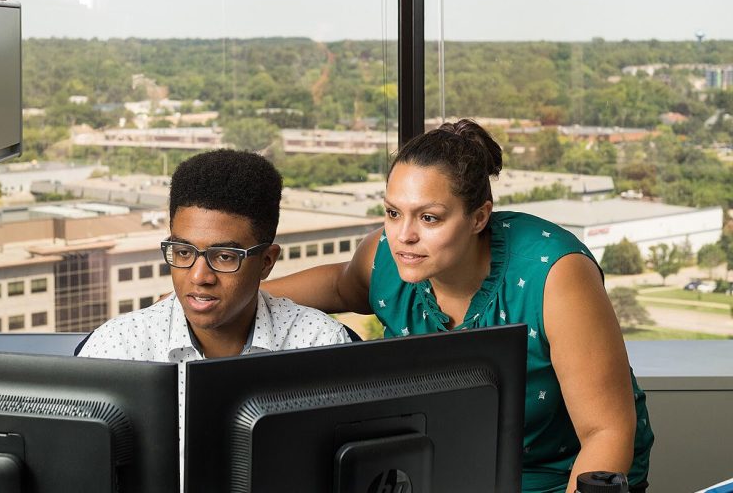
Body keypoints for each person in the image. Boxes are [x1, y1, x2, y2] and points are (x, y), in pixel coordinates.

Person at [264, 118, 654, 493]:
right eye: (392, 212)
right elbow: (337, 285)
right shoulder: (386, 256)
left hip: (559, 474)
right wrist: (240, 294)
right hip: (451, 466)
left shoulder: (554, 274)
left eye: (429, 218)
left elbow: (606, 432)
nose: (403, 236)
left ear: (479, 217)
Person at [79, 149, 351, 486]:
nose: (198, 276)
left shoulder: (319, 345)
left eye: (224, 256)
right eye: (183, 252)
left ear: (267, 261)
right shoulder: (117, 349)